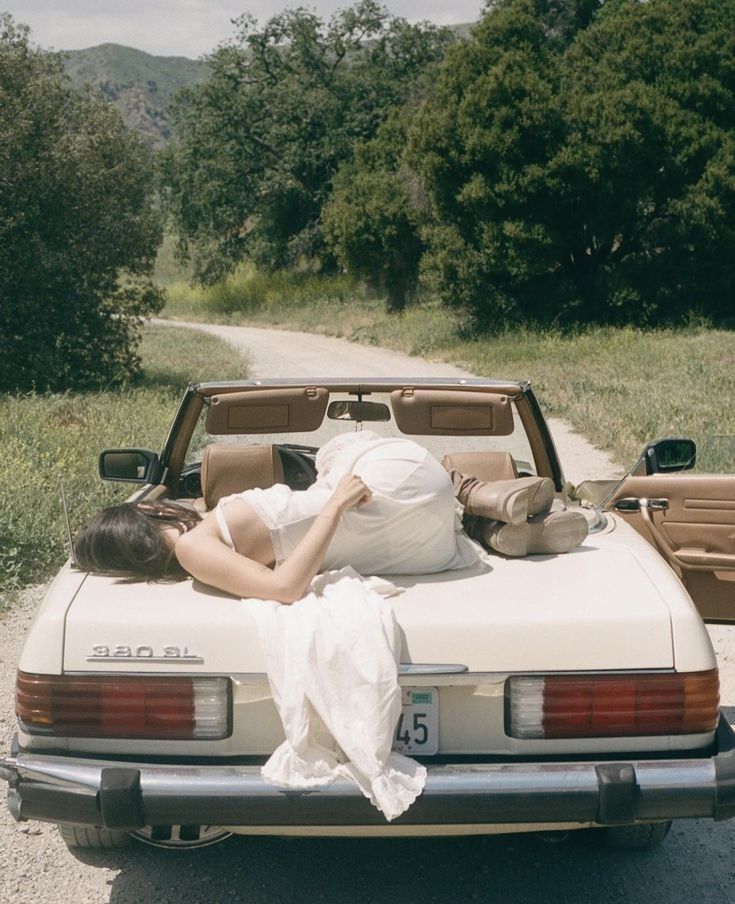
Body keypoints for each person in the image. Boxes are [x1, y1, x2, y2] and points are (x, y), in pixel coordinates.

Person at [74, 431, 587, 603]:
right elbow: (286, 589)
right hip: (393, 488)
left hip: (425, 552)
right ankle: (479, 497)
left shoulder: (199, 539)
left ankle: (488, 525)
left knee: (417, 504)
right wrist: (334, 504)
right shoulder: (193, 549)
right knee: (341, 450)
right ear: (140, 512)